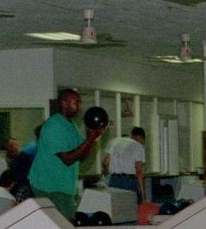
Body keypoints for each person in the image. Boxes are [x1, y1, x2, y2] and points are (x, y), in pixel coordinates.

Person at [29, 88, 107, 220]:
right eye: (76, 102)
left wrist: (93, 139)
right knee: (65, 228)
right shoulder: (53, 126)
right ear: (64, 103)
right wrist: (90, 138)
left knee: (68, 226)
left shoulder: (72, 126)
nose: (80, 106)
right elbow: (67, 159)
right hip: (49, 186)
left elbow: (81, 157)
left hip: (64, 186)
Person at [102, 126, 146, 200]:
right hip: (129, 182)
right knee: (129, 209)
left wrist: (106, 175)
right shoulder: (138, 146)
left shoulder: (115, 141)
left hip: (114, 180)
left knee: (115, 208)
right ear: (140, 137)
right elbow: (138, 172)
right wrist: (143, 195)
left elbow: (105, 162)